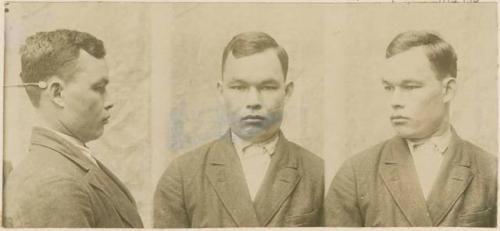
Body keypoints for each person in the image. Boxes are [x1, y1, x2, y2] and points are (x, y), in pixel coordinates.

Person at [324, 30, 497, 227]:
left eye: (411, 87)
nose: (395, 101)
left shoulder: (491, 171)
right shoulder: (356, 173)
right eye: (389, 88)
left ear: (447, 90)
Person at [153, 31, 324, 228]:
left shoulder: (319, 176)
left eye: (267, 87)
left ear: (287, 92)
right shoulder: (182, 176)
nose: (253, 102)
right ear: (221, 91)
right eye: (239, 87)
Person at [4, 29, 144, 228]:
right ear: (58, 93)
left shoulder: (69, 163)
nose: (110, 101)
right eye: (98, 88)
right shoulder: (52, 183)